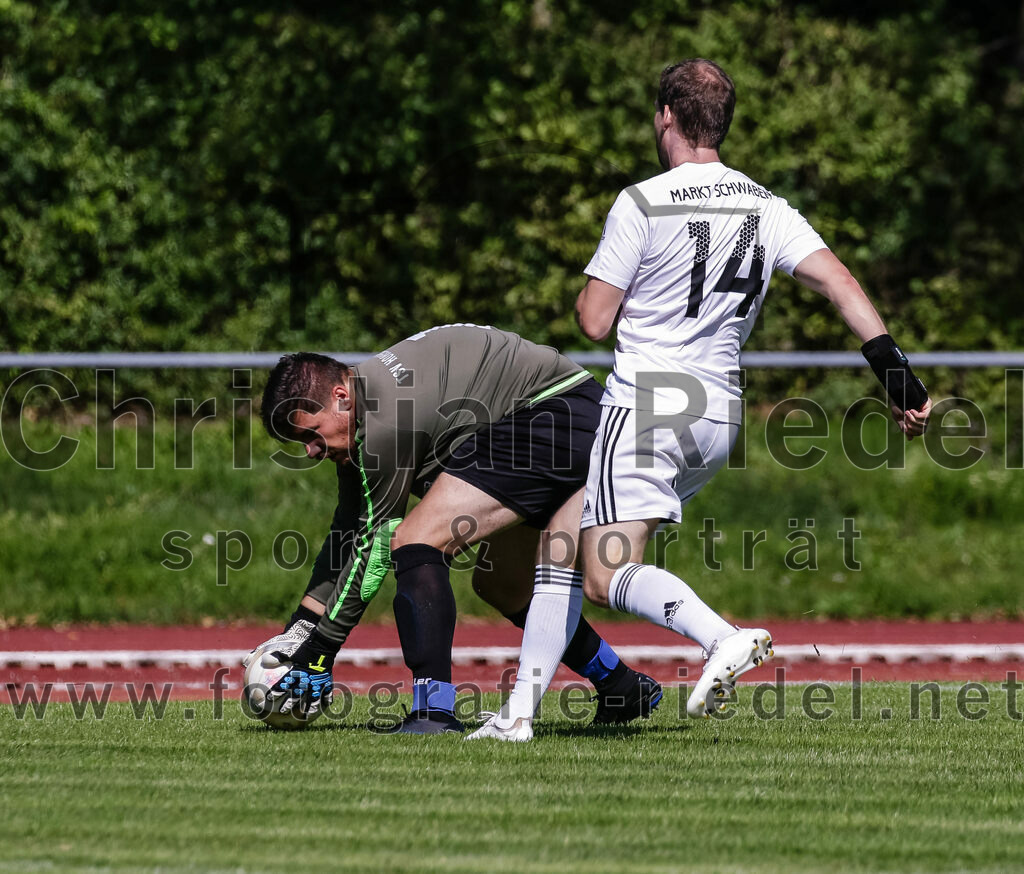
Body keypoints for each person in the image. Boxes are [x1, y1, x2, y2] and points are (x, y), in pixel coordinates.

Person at [469, 59, 930, 740]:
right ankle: (517, 717)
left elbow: (594, 320)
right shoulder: (765, 206)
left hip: (646, 405)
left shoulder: (643, 201)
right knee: (561, 548)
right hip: (717, 417)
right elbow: (838, 282)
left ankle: (720, 637)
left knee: (604, 572)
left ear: (666, 117)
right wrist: (896, 373)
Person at [249, 324, 662, 734]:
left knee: (415, 540)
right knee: (501, 585)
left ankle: (434, 712)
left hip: (558, 415)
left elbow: (374, 546)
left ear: (340, 397)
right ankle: (621, 686)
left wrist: (320, 650)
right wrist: (299, 630)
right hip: (564, 418)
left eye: (310, 433)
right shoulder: (363, 407)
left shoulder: (386, 423)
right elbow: (347, 529)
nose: (310, 450)